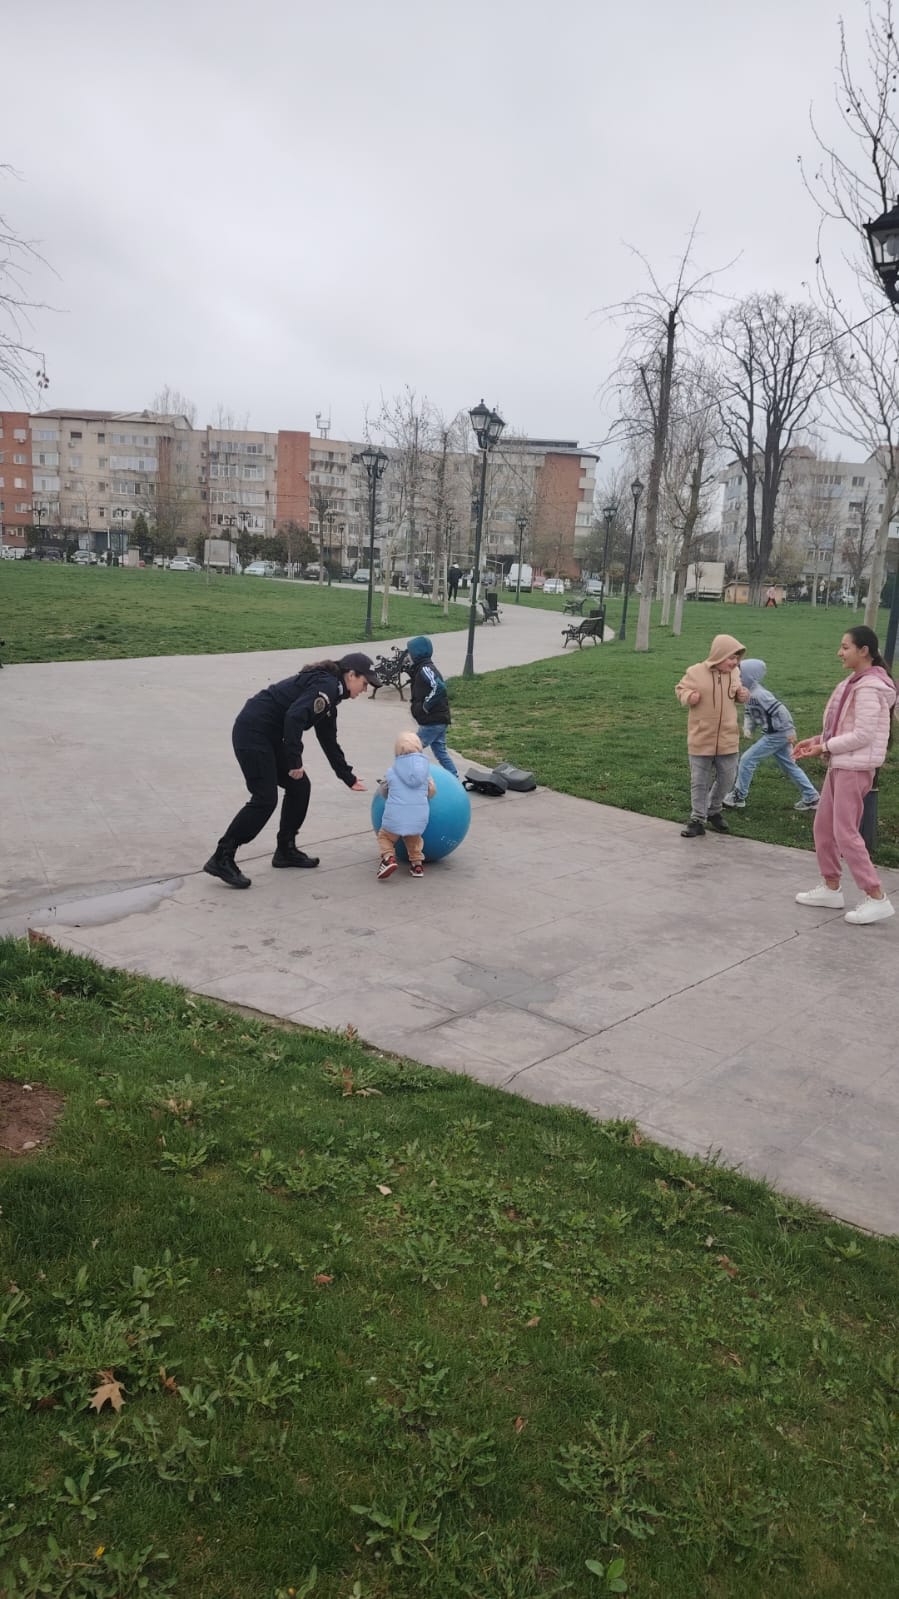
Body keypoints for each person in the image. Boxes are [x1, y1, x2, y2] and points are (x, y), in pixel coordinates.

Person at [203, 651, 382, 890]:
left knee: (299, 786)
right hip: (253, 732)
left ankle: (285, 850)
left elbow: (329, 741)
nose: (365, 689)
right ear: (351, 675)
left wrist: (347, 777)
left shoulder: (331, 696)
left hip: (268, 736)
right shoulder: (327, 686)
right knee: (265, 798)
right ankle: (222, 856)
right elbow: (295, 717)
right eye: (365, 683)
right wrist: (294, 760)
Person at [792, 625, 896, 924]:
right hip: (841, 764)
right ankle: (831, 887)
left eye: (846, 647)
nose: (840, 652)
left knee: (845, 832)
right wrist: (816, 741)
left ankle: (876, 896)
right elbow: (842, 728)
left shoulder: (870, 688)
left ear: (864, 651)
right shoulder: (853, 683)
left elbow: (863, 735)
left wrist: (824, 746)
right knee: (824, 828)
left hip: (855, 768)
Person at [675, 633, 749, 838]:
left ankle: (713, 810)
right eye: (731, 657)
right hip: (701, 737)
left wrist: (742, 695)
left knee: (727, 778)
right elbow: (680, 689)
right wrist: (689, 696)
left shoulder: (735, 673)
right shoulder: (695, 672)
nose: (734, 662)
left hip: (728, 738)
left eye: (737, 658)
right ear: (719, 655)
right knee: (699, 781)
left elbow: (737, 693)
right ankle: (697, 820)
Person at [722, 658, 820, 813]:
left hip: (777, 735)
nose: (736, 678)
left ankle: (739, 796)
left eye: (739, 675)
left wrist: (790, 730)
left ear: (749, 676)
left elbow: (781, 711)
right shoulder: (747, 694)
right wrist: (748, 728)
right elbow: (750, 712)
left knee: (747, 759)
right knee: (789, 765)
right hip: (776, 734)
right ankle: (812, 797)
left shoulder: (760, 694)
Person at [376, 730, 436, 880]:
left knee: (385, 836)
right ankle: (417, 865)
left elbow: (383, 791)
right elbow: (431, 792)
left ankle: (388, 858)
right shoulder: (425, 773)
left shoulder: (392, 771)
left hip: (395, 816)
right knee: (414, 839)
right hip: (418, 817)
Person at [406, 635, 459, 776]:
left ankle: (401, 777)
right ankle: (454, 777)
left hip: (432, 721)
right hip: (438, 720)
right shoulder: (421, 668)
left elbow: (439, 687)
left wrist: (425, 705)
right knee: (440, 752)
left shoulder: (425, 669)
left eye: (409, 653)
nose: (408, 656)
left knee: (410, 749)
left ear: (416, 654)